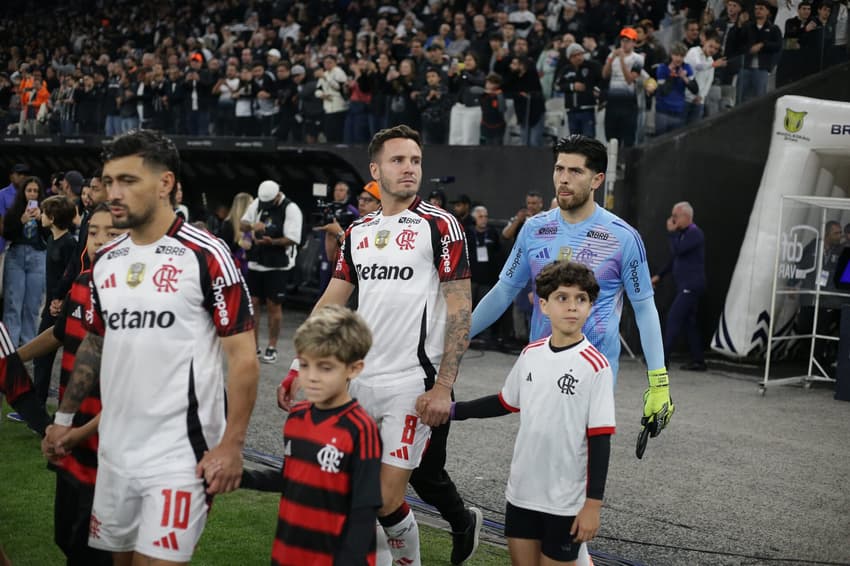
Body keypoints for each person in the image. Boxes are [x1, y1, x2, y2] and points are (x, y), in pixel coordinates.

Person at [43, 129, 259, 565]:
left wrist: (232, 445)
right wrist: (64, 418)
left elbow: (243, 358)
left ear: (165, 184)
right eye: (108, 181)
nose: (113, 193)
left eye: (128, 180)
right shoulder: (106, 260)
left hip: (180, 453)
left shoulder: (207, 254)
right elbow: (96, 341)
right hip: (116, 450)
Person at [278, 125, 482, 566]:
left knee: (387, 500)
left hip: (411, 384)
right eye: (398, 160)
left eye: (415, 160)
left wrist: (443, 387)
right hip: (358, 381)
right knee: (355, 494)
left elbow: (460, 310)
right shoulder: (357, 232)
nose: (409, 168)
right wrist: (299, 365)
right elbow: (330, 303)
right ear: (375, 169)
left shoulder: (440, 226)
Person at [469, 136, 673, 566]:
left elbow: (645, 309)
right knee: (548, 498)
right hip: (540, 373)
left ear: (597, 178)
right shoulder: (534, 228)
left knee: (570, 498)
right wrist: (455, 338)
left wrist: (659, 382)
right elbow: (504, 290)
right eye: (559, 168)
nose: (564, 178)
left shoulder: (622, 237)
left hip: (590, 382)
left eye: (575, 170)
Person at [451, 261, 614, 566]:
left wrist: (593, 505)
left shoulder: (596, 366)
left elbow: (600, 439)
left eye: (581, 299)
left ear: (591, 307)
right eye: (562, 298)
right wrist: (453, 410)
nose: (572, 306)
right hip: (522, 494)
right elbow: (505, 402)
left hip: (565, 502)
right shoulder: (531, 355)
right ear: (544, 305)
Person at [30, 204, 123, 566]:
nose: (99, 241)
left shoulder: (134, 300)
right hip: (70, 436)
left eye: (111, 233)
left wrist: (77, 431)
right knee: (65, 537)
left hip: (106, 443)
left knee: (94, 552)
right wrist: (12, 360)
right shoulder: (82, 285)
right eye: (93, 232)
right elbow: (56, 335)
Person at [257, 305, 382, 565]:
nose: (311, 377)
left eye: (325, 368)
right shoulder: (297, 416)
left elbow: (365, 508)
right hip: (287, 553)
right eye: (305, 365)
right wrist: (241, 476)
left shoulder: (361, 429)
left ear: (354, 368)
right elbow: (291, 478)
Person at [240, 179, 303, 364]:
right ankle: (254, 345)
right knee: (253, 303)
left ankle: (272, 346)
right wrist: (252, 226)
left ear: (278, 194)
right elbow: (243, 223)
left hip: (278, 264)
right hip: (256, 261)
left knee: (273, 305)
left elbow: (293, 238)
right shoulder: (258, 202)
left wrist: (272, 242)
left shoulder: (291, 209)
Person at [31, 195, 77, 412]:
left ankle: (47, 408)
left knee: (54, 357)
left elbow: (71, 276)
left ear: (52, 216)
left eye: (43, 212)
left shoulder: (69, 244)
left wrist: (61, 301)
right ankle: (38, 405)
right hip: (50, 305)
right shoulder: (51, 238)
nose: (41, 216)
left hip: (61, 308)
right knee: (42, 358)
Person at [651, 202, 707, 371]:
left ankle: (663, 360)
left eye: (676, 216)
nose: (673, 220)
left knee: (674, 318)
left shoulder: (694, 233)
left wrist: (671, 233)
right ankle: (698, 360)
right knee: (689, 323)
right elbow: (673, 259)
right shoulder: (682, 234)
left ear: (686, 217)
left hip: (691, 286)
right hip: (685, 285)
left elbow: (678, 251)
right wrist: (659, 276)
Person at [2, 176, 47, 349]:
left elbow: (49, 236)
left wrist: (40, 220)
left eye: (36, 191)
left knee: (32, 304)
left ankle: (28, 345)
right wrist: (20, 221)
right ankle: (10, 347)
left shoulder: (44, 211)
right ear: (23, 192)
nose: (32, 194)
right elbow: (7, 234)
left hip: (37, 256)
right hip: (16, 256)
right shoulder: (14, 211)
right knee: (13, 303)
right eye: (29, 190)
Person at [602, 28, 644, 147]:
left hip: (628, 104)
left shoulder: (638, 59)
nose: (624, 43)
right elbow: (605, 74)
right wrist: (611, 59)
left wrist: (621, 59)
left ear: (634, 43)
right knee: (611, 138)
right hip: (612, 102)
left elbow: (630, 79)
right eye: (623, 40)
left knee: (628, 138)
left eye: (628, 41)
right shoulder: (612, 55)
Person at [654, 43, 698, 135]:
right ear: (671, 55)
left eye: (681, 56)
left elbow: (695, 90)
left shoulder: (687, 68)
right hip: (662, 110)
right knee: (659, 140)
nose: (679, 59)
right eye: (676, 55)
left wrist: (685, 78)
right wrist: (671, 77)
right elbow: (662, 92)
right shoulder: (662, 68)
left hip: (678, 110)